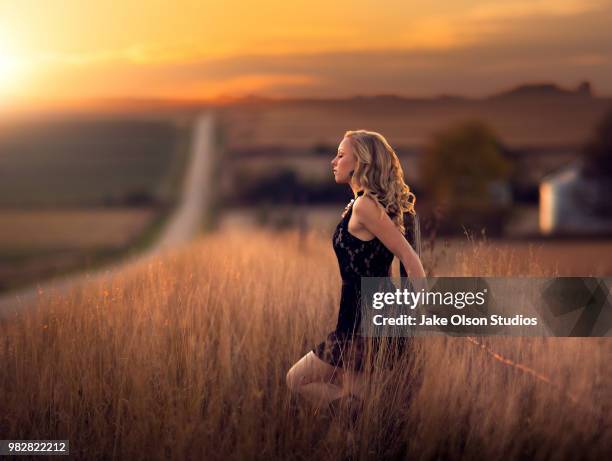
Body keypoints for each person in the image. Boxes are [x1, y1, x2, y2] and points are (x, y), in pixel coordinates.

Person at [286, 129, 426, 411]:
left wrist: (416, 311)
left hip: (368, 323)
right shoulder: (358, 204)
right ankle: (356, 427)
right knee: (353, 403)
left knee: (296, 380)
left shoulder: (365, 206)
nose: (332, 161)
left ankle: (358, 425)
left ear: (360, 163)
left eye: (340, 155)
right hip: (356, 321)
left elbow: (410, 259)